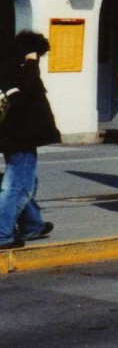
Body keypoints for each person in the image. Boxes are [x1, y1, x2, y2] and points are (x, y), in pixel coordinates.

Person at [0, 30, 61, 248]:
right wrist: (32, 64)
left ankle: (32, 225)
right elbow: (26, 96)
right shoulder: (20, 70)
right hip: (22, 136)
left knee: (26, 180)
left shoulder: (9, 67)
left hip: (12, 135)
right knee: (17, 185)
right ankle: (3, 233)